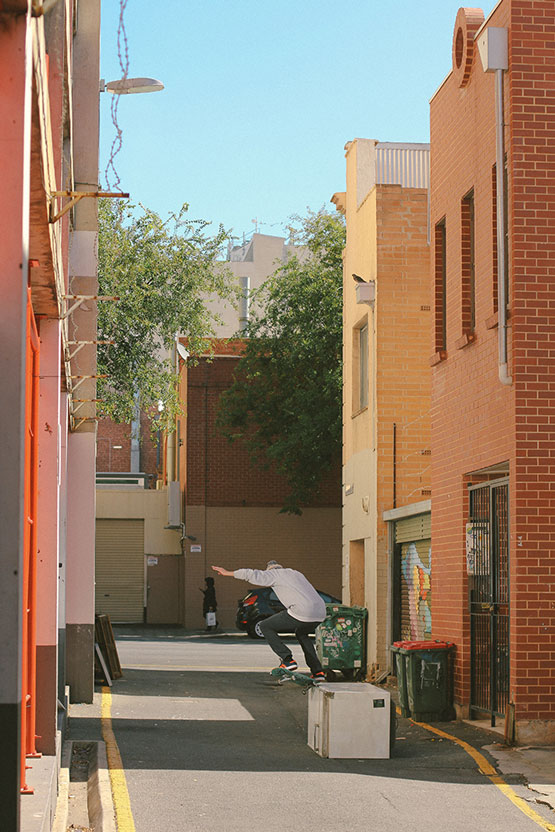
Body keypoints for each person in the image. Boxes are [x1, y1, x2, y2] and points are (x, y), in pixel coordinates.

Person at [212, 560, 326, 680]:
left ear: (270, 570)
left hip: (302, 611)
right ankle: (318, 672)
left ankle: (287, 660)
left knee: (265, 626)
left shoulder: (274, 574)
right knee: (302, 633)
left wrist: (228, 573)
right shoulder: (296, 573)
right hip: (320, 612)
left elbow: (250, 574)